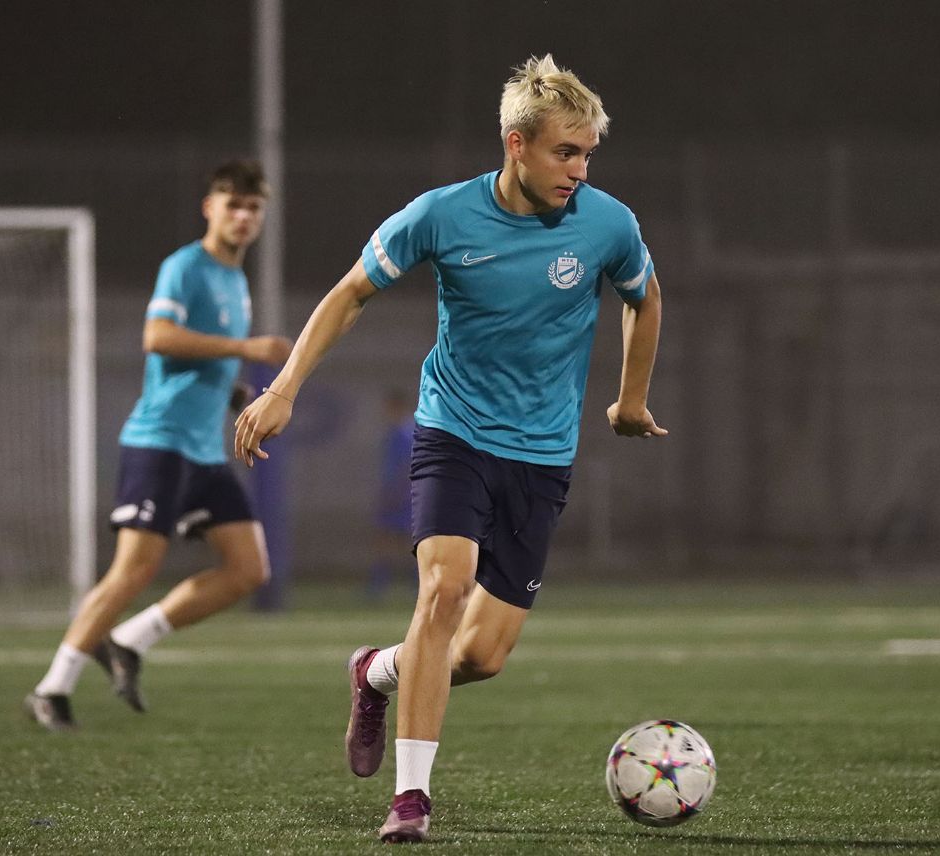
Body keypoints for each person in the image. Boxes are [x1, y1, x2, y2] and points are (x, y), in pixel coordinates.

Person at [234, 55, 665, 843]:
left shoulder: (608, 224)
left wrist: (630, 398)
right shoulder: (440, 215)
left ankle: (376, 671)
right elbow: (350, 293)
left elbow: (645, 295)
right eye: (565, 152)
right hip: (453, 434)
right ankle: (411, 799)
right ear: (516, 145)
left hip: (542, 456)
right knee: (443, 590)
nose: (579, 169)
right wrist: (285, 387)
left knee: (483, 657)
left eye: (587, 154)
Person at [25, 159, 293, 731]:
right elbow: (158, 336)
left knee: (249, 569)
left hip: (203, 451)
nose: (243, 216)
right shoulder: (185, 266)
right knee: (133, 571)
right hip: (161, 441)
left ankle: (129, 639)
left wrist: (233, 392)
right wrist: (245, 349)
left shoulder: (235, 280)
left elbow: (203, 356)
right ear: (209, 207)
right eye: (233, 204)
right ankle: (52, 688)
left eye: (253, 207)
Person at [366, 388, 415, 601]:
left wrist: (397, 493)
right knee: (387, 540)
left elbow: (408, 466)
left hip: (403, 497)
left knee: (404, 541)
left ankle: (414, 584)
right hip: (396, 495)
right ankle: (379, 585)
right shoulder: (394, 433)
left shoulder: (405, 433)